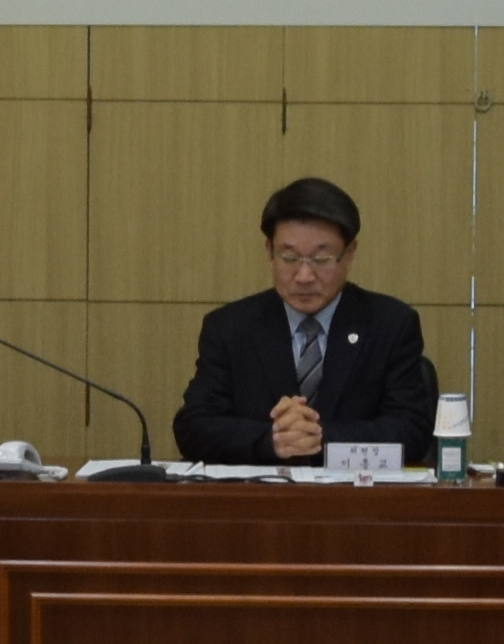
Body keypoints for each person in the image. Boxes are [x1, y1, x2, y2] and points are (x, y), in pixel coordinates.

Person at [174, 177, 437, 464]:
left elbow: (412, 430)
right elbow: (194, 428)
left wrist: (319, 437)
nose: (304, 276)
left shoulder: (390, 324)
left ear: (349, 254)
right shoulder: (230, 328)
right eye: (289, 258)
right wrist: (272, 439)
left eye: (320, 259)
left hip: (353, 491)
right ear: (269, 252)